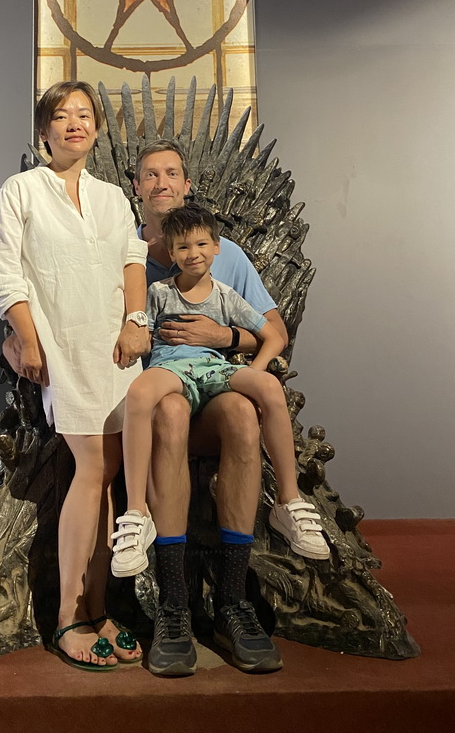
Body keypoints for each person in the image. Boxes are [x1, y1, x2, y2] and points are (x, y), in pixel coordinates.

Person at [0, 81, 150, 672]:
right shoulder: (22, 190)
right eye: (62, 115)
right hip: (63, 344)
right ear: (44, 130)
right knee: (94, 467)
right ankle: (68, 617)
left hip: (116, 350)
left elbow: (133, 260)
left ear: (97, 128)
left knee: (110, 477)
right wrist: (28, 339)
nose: (75, 123)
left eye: (85, 114)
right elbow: (6, 273)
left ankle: (99, 606)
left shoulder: (111, 197)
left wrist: (136, 323)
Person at [131, 139, 296, 676]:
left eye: (172, 173)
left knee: (245, 418)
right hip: (161, 396)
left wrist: (224, 334)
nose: (161, 183)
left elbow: (271, 331)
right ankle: (174, 605)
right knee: (171, 414)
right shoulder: (127, 254)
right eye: (150, 175)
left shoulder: (224, 255)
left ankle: (232, 599)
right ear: (136, 188)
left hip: (216, 381)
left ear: (187, 185)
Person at [111, 202, 328, 595]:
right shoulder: (158, 291)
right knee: (140, 393)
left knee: (268, 390)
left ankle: (289, 502)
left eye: (200, 245)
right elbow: (139, 327)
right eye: (182, 248)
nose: (192, 254)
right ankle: (137, 510)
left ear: (216, 247)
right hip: (172, 369)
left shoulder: (226, 296)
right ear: (170, 253)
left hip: (215, 370)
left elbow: (274, 335)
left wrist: (255, 371)